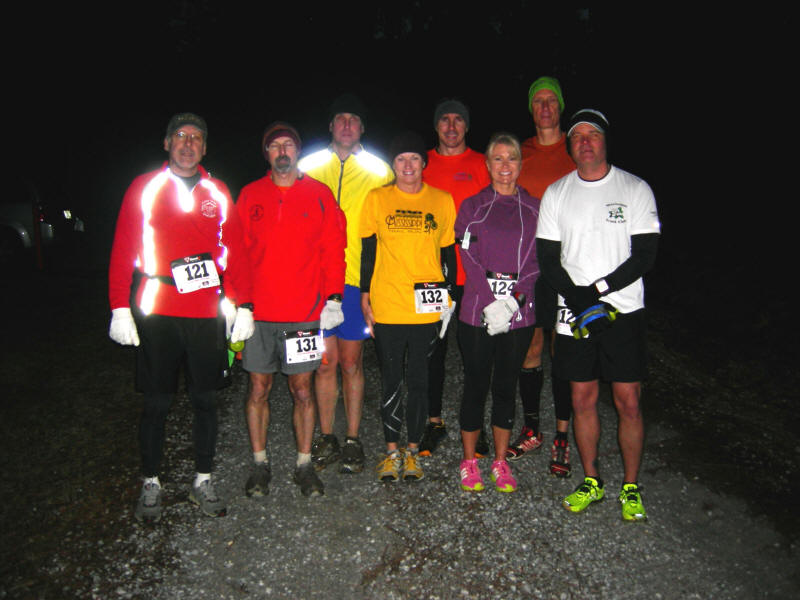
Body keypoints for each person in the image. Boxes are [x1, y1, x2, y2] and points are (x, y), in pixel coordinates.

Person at [108, 113, 255, 523]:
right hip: (157, 309)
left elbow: (238, 252)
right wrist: (120, 306)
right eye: (180, 136)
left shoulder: (218, 191)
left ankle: (202, 479)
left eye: (196, 138)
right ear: (167, 143)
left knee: (206, 400)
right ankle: (151, 482)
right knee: (157, 402)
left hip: (207, 311)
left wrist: (244, 304)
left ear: (205, 148)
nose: (188, 144)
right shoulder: (144, 187)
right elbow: (122, 248)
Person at [535, 109, 660, 520]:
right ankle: (591, 480)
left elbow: (644, 256)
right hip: (574, 313)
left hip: (622, 311)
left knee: (628, 401)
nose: (585, 141)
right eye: (577, 137)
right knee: (582, 398)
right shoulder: (557, 192)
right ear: (570, 147)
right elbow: (548, 260)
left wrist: (599, 291)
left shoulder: (635, 188)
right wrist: (577, 298)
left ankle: (630, 486)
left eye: (593, 134)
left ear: (605, 141)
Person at [236, 122, 347, 498]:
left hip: (303, 312)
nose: (282, 151)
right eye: (274, 146)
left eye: (288, 145)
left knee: (303, 390)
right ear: (266, 154)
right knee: (258, 388)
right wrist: (241, 305)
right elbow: (236, 253)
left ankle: (304, 464)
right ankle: (259, 464)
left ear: (298, 151)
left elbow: (334, 247)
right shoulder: (250, 194)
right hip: (260, 313)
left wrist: (333, 297)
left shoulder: (319, 194)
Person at [297, 94, 393, 475]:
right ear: (331, 126)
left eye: (355, 119)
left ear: (363, 128)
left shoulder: (379, 169)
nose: (348, 125)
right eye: (341, 119)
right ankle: (326, 436)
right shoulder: (308, 164)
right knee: (325, 362)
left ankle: (353, 438)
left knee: (352, 362)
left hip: (356, 281)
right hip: (314, 280)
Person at [359, 132, 456, 483]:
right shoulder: (377, 198)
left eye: (414, 158)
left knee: (418, 381)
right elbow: (368, 250)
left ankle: (412, 451)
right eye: (401, 159)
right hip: (387, 302)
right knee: (390, 381)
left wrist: (450, 297)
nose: (408, 165)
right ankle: (390, 452)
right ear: (393, 165)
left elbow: (448, 254)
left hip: (426, 306)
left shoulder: (442, 200)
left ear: (424, 163)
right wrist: (365, 293)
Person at [455, 133, 539, 493]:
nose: (505, 166)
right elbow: (468, 256)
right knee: (476, 385)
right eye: (498, 159)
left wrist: (514, 301)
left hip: (519, 315)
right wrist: (492, 302)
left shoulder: (536, 209)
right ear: (487, 165)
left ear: (521, 165)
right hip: (477, 311)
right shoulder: (473, 207)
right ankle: (470, 461)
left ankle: (501, 462)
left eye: (512, 159)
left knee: (505, 387)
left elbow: (539, 263)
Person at [508, 76, 578, 477]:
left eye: (552, 100)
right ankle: (532, 427)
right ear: (531, 109)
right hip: (531, 266)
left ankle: (563, 436)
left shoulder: (577, 148)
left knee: (564, 351)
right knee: (531, 347)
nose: (546, 108)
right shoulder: (522, 152)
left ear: (561, 106)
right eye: (539, 101)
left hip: (572, 267)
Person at [420, 98, 491, 457]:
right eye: (444, 120)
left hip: (474, 277)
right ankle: (433, 422)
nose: (451, 126)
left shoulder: (481, 164)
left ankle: (475, 426)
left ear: (466, 127)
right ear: (436, 126)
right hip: (431, 277)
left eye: (458, 120)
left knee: (475, 354)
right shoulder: (421, 163)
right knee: (433, 353)